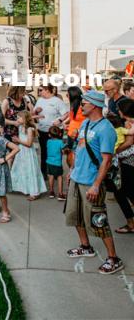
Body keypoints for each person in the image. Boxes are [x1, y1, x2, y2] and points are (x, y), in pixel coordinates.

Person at [65, 90, 124, 275]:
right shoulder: (86, 123)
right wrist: (72, 170)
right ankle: (86, 246)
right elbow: (79, 148)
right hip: (77, 178)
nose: (81, 105)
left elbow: (106, 160)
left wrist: (97, 184)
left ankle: (113, 258)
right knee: (75, 216)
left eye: (84, 103)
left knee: (98, 220)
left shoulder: (105, 128)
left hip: (91, 182)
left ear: (95, 105)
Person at [34, 85, 69, 176]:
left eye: (41, 90)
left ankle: (56, 173)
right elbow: (34, 113)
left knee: (56, 152)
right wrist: (36, 111)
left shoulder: (57, 101)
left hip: (55, 131)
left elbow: (66, 113)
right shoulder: (39, 100)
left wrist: (60, 120)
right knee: (44, 152)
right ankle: (44, 173)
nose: (39, 92)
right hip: (42, 130)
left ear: (47, 90)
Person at [11, 111, 46, 200]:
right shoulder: (20, 127)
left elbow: (29, 143)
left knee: (30, 171)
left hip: (28, 152)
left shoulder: (30, 129)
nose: (17, 119)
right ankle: (24, 188)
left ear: (24, 119)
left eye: (19, 117)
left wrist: (18, 141)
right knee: (22, 170)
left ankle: (34, 192)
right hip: (21, 152)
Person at [113, 98, 134, 234]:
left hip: (129, 163)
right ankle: (130, 222)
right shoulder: (128, 123)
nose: (117, 111)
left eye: (118, 108)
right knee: (123, 192)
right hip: (126, 162)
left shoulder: (129, 124)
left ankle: (131, 223)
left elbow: (130, 144)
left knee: (122, 192)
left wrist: (115, 151)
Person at [64, 86, 86, 168]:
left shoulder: (82, 107)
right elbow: (72, 119)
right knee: (70, 155)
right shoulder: (73, 105)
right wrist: (66, 124)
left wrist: (77, 129)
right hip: (70, 134)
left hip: (78, 135)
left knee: (77, 156)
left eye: (68, 94)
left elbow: (86, 122)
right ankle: (72, 171)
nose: (67, 96)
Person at [45, 126, 66, 200]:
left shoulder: (48, 141)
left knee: (51, 176)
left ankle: (51, 192)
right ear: (60, 134)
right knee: (59, 177)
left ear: (49, 135)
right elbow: (63, 152)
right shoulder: (60, 142)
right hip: (57, 163)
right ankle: (60, 194)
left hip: (49, 162)